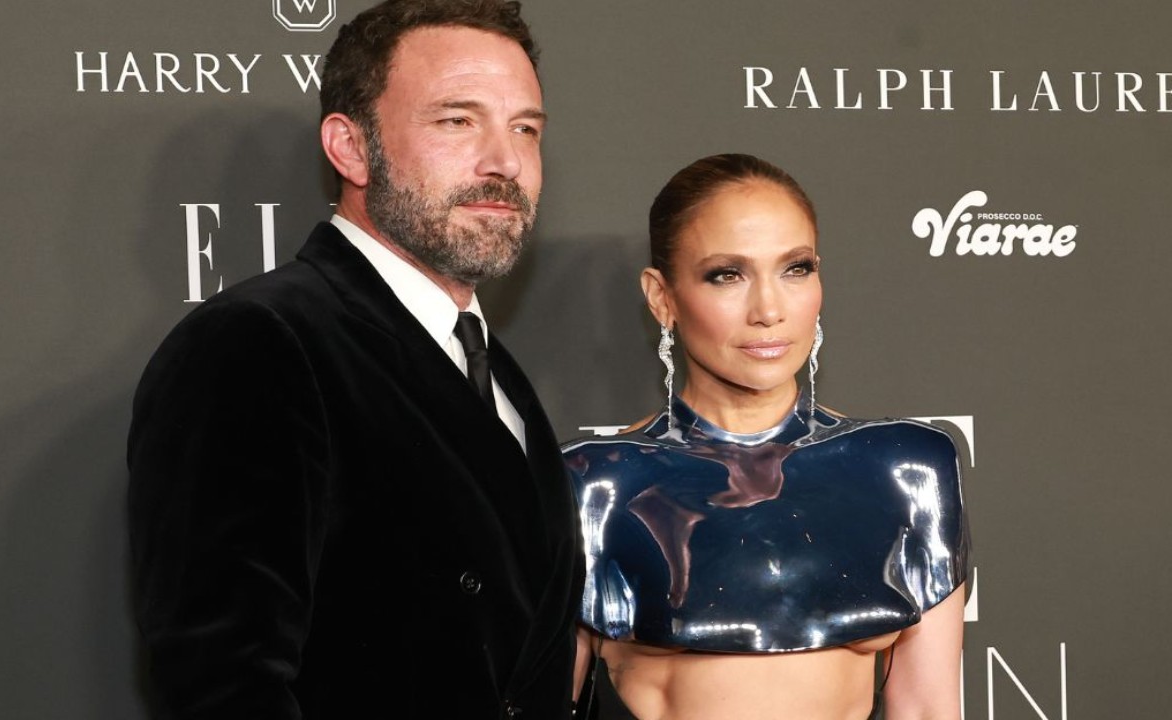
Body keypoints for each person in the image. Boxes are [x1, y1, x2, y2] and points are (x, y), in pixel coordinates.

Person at [126, 1, 583, 717]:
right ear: (350, 147)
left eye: (525, 128)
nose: (504, 161)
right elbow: (222, 681)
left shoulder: (500, 378)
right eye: (457, 120)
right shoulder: (259, 345)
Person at [563, 154, 969, 720]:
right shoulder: (595, 483)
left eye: (795, 268)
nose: (770, 310)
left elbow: (928, 708)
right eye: (727, 274)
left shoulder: (907, 467)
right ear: (662, 298)